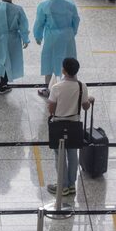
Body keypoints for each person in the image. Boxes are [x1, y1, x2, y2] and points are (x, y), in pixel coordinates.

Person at [46, 57, 92, 196]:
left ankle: (63, 185)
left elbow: (51, 109)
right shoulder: (81, 86)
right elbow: (85, 107)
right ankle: (72, 185)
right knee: (73, 155)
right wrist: (89, 100)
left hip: (59, 125)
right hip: (74, 125)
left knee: (60, 156)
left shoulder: (57, 87)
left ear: (63, 70)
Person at [34, 0, 80, 97]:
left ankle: (48, 89)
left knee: (49, 61)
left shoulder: (44, 4)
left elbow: (39, 22)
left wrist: (38, 36)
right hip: (67, 36)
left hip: (52, 37)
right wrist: (72, 32)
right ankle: (72, 88)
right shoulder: (70, 2)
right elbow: (76, 19)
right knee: (69, 62)